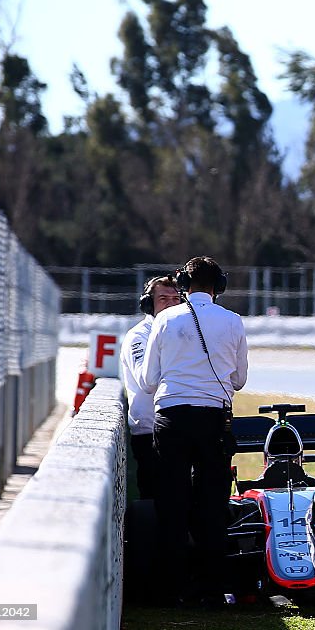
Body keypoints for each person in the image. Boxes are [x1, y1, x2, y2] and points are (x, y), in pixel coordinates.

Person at [138, 256, 248, 607]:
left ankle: (171, 587)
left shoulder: (166, 319)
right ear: (220, 286)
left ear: (183, 285)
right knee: (212, 503)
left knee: (172, 501)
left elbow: (147, 380)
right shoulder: (233, 321)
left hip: (171, 417)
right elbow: (240, 380)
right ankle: (210, 588)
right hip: (214, 419)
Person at [120, 275, 181, 499]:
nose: (171, 304)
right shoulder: (138, 337)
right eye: (163, 298)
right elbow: (147, 381)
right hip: (149, 431)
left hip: (179, 429)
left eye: (176, 299)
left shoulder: (183, 334)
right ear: (148, 303)